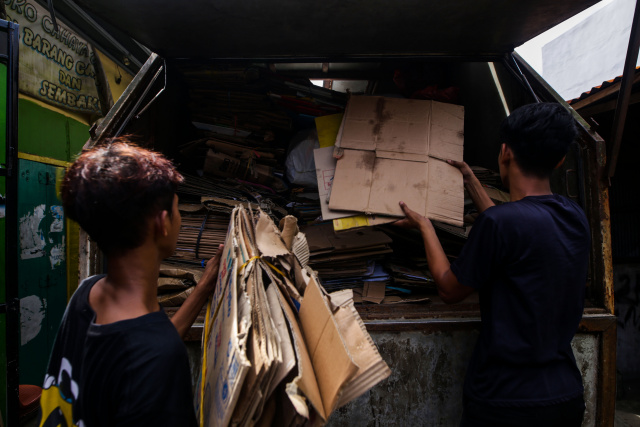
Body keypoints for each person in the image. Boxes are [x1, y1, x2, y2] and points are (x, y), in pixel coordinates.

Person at [395, 103, 590, 426]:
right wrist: (471, 180)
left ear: (505, 152)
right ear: (560, 160)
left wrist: (426, 227)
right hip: (564, 395)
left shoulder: (502, 223)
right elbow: (512, 227)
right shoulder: (574, 216)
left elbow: (448, 287)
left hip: (505, 401)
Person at [38, 140, 223, 427]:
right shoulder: (158, 357)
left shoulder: (87, 293)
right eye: (177, 209)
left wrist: (203, 288)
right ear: (162, 223)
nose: (180, 218)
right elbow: (147, 351)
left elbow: (141, 345)